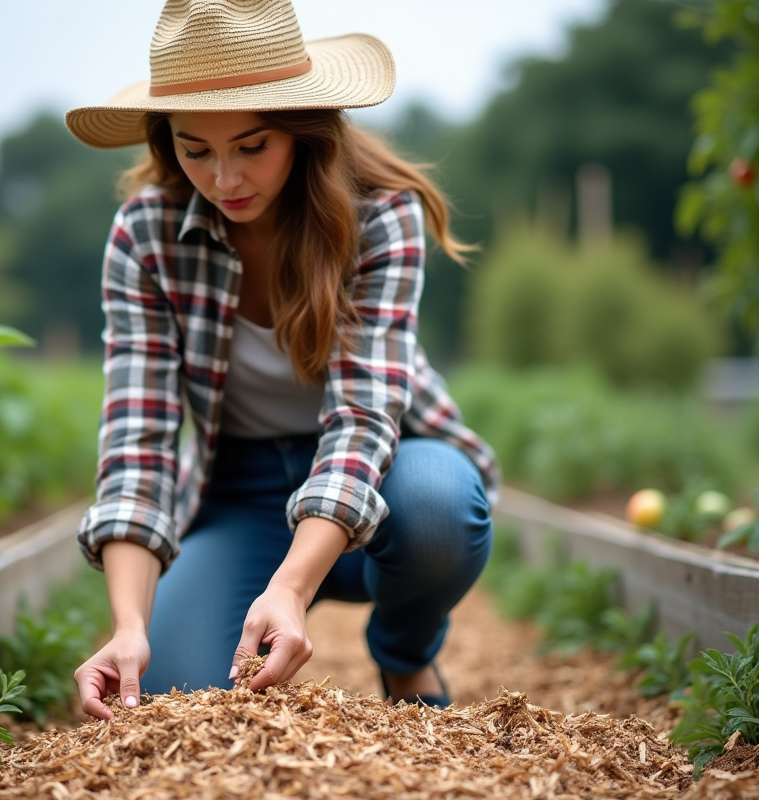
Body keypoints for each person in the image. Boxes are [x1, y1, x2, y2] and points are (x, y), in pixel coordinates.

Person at [64, 0, 499, 722]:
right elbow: (137, 445)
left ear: (302, 130)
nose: (225, 177)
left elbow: (364, 417)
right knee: (179, 693)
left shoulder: (377, 215)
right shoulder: (145, 235)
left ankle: (404, 649)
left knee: (439, 514)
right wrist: (129, 626)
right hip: (241, 493)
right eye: (194, 148)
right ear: (165, 140)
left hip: (387, 472)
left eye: (252, 145)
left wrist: (292, 588)